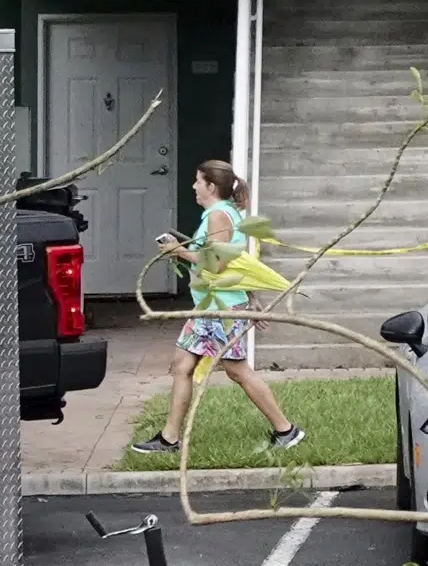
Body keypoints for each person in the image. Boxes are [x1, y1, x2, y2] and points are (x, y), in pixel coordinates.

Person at [127, 160, 304, 456]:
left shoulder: (218, 216)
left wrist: (178, 251)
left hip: (220, 309)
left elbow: (219, 263)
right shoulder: (222, 214)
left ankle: (286, 430)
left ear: (211, 186)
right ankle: (169, 440)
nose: (194, 186)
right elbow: (236, 259)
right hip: (208, 308)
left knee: (238, 372)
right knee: (182, 366)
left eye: (198, 181)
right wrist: (251, 295)